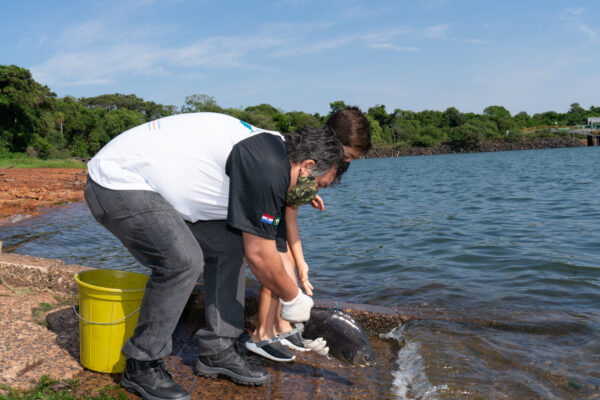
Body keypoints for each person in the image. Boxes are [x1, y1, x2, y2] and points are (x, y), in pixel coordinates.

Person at [84, 112, 346, 400]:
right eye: (319, 184)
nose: (314, 192)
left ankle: (218, 350)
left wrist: (298, 306)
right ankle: (142, 362)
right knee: (182, 262)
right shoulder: (268, 167)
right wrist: (295, 299)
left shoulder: (275, 154)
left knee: (229, 245)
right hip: (117, 180)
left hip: (155, 186)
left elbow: (272, 247)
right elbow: (261, 255)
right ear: (307, 165)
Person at [245, 107, 372, 361]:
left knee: (287, 268)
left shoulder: (312, 165)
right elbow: (289, 211)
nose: (347, 161)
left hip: (278, 211)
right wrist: (299, 262)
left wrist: (300, 262)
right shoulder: (302, 162)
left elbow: (292, 208)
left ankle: (280, 327)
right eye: (347, 155)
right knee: (277, 270)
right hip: (269, 210)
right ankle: (262, 333)